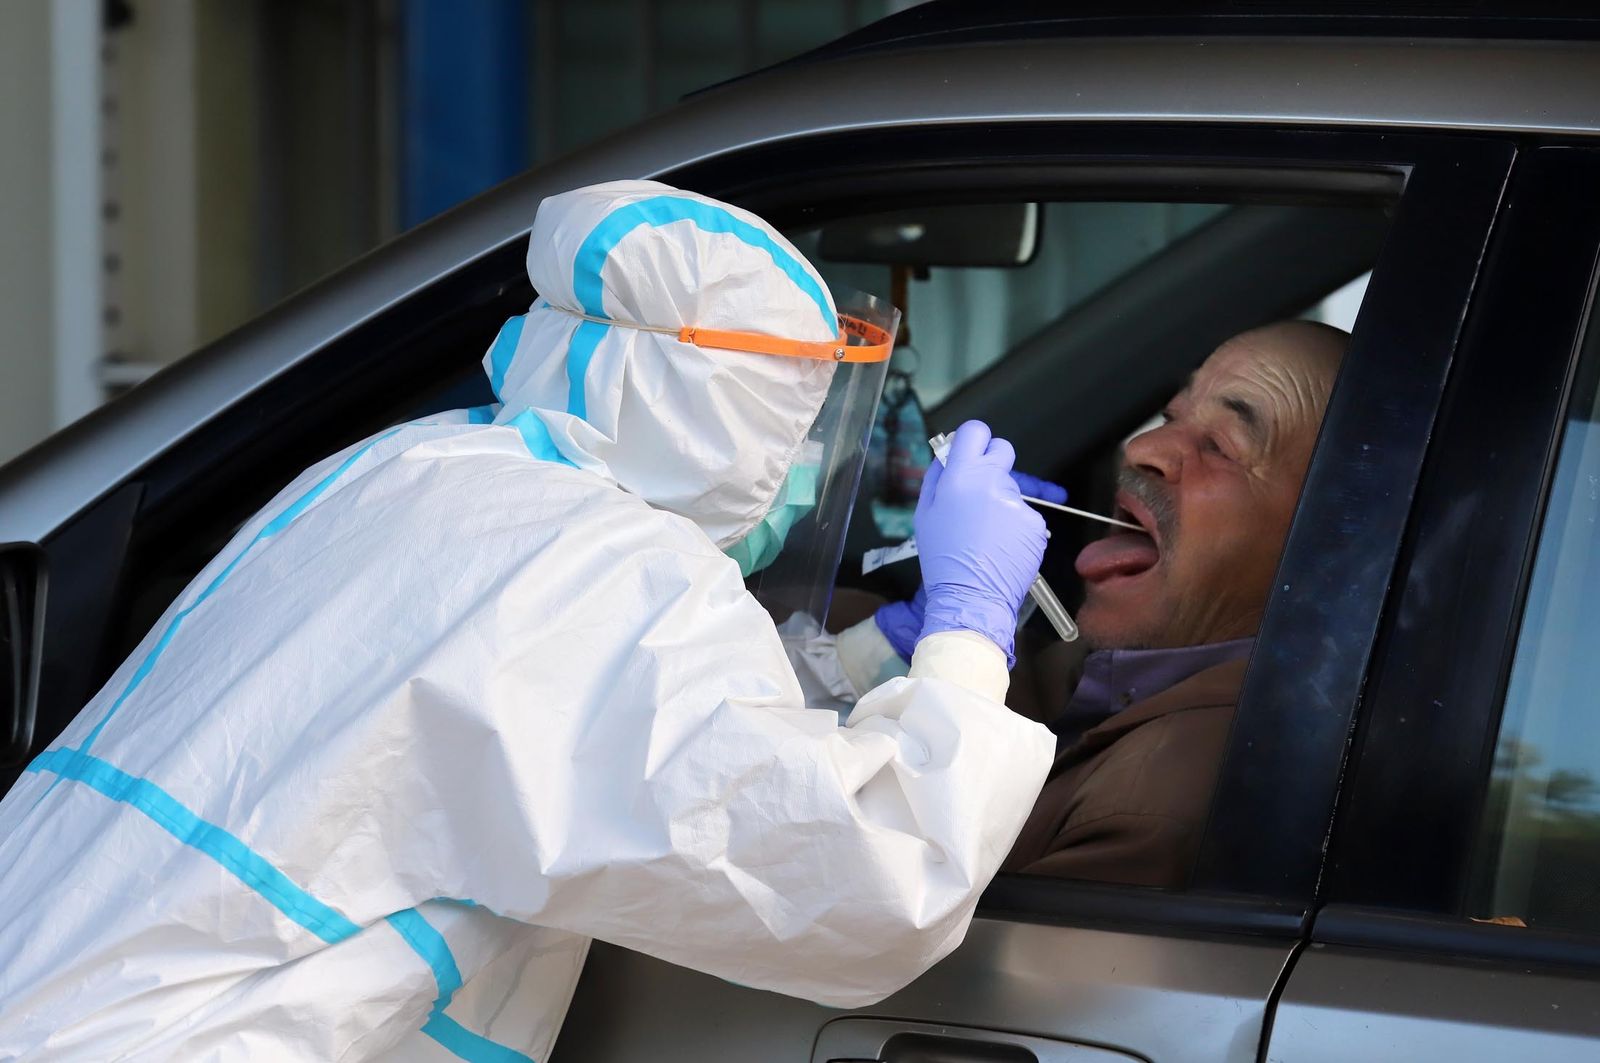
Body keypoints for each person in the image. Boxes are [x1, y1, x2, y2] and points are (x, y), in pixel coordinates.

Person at [0, 181, 1055, 1061]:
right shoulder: (606, 578)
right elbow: (868, 883)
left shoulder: (418, 470)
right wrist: (970, 631)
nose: (809, 464)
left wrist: (883, 649)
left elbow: (605, 737)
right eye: (799, 417)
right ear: (724, 417)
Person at [835, 320, 1348, 888]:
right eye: (1173, 416)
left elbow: (875, 911)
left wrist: (963, 640)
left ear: (1322, 557)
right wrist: (899, 646)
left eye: (1221, 447)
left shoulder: (1162, 808)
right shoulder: (1093, 682)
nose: (1143, 448)